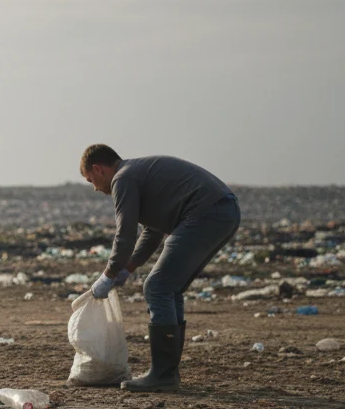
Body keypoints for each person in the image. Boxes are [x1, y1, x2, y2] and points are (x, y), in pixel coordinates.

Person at [79, 145, 240, 392]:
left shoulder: (122, 179)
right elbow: (151, 232)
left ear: (98, 169)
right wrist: (128, 268)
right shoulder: (136, 174)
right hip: (223, 210)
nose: (95, 188)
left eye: (91, 180)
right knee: (169, 288)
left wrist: (108, 275)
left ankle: (163, 375)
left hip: (205, 212)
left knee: (157, 287)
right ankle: (167, 373)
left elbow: (125, 234)